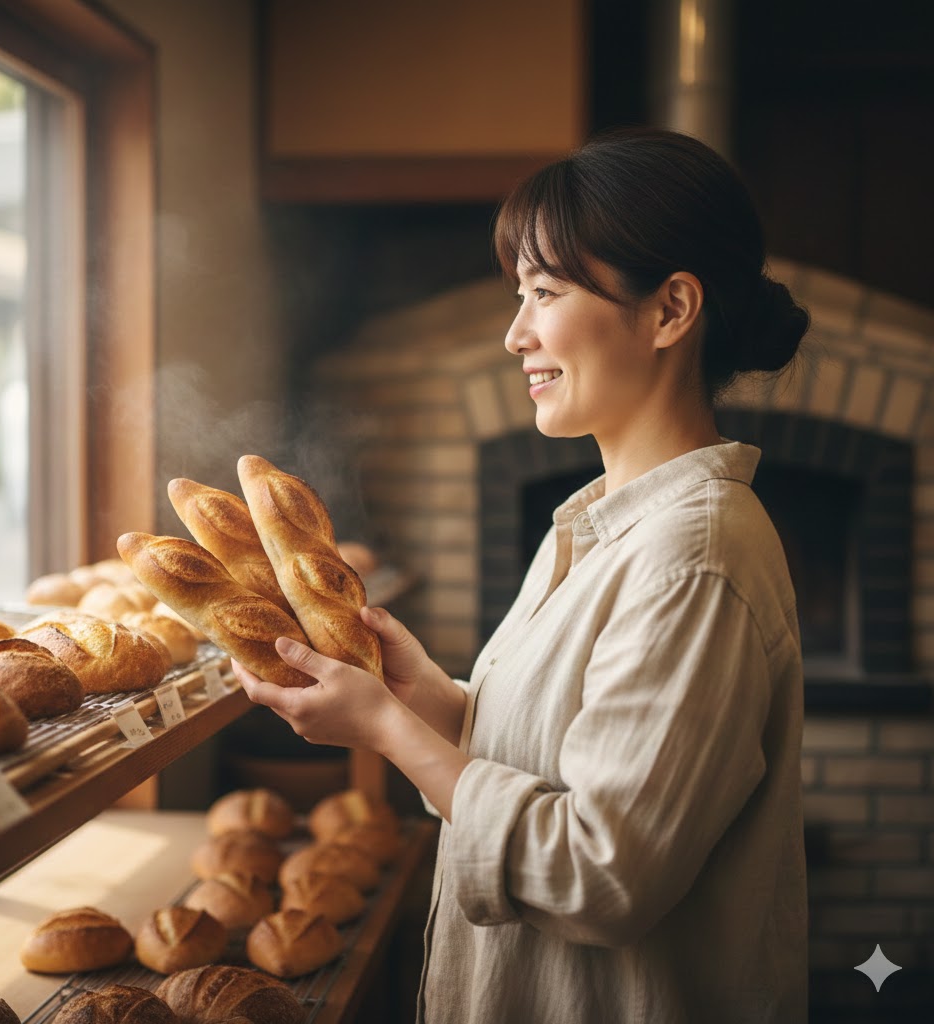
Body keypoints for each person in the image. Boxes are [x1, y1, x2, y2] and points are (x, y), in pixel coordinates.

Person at [233, 126, 811, 1024]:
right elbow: (559, 759)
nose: (515, 334)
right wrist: (431, 701)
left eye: (545, 292)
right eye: (521, 294)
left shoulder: (696, 556)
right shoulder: (596, 525)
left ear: (669, 312)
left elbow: (601, 871)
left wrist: (389, 732)